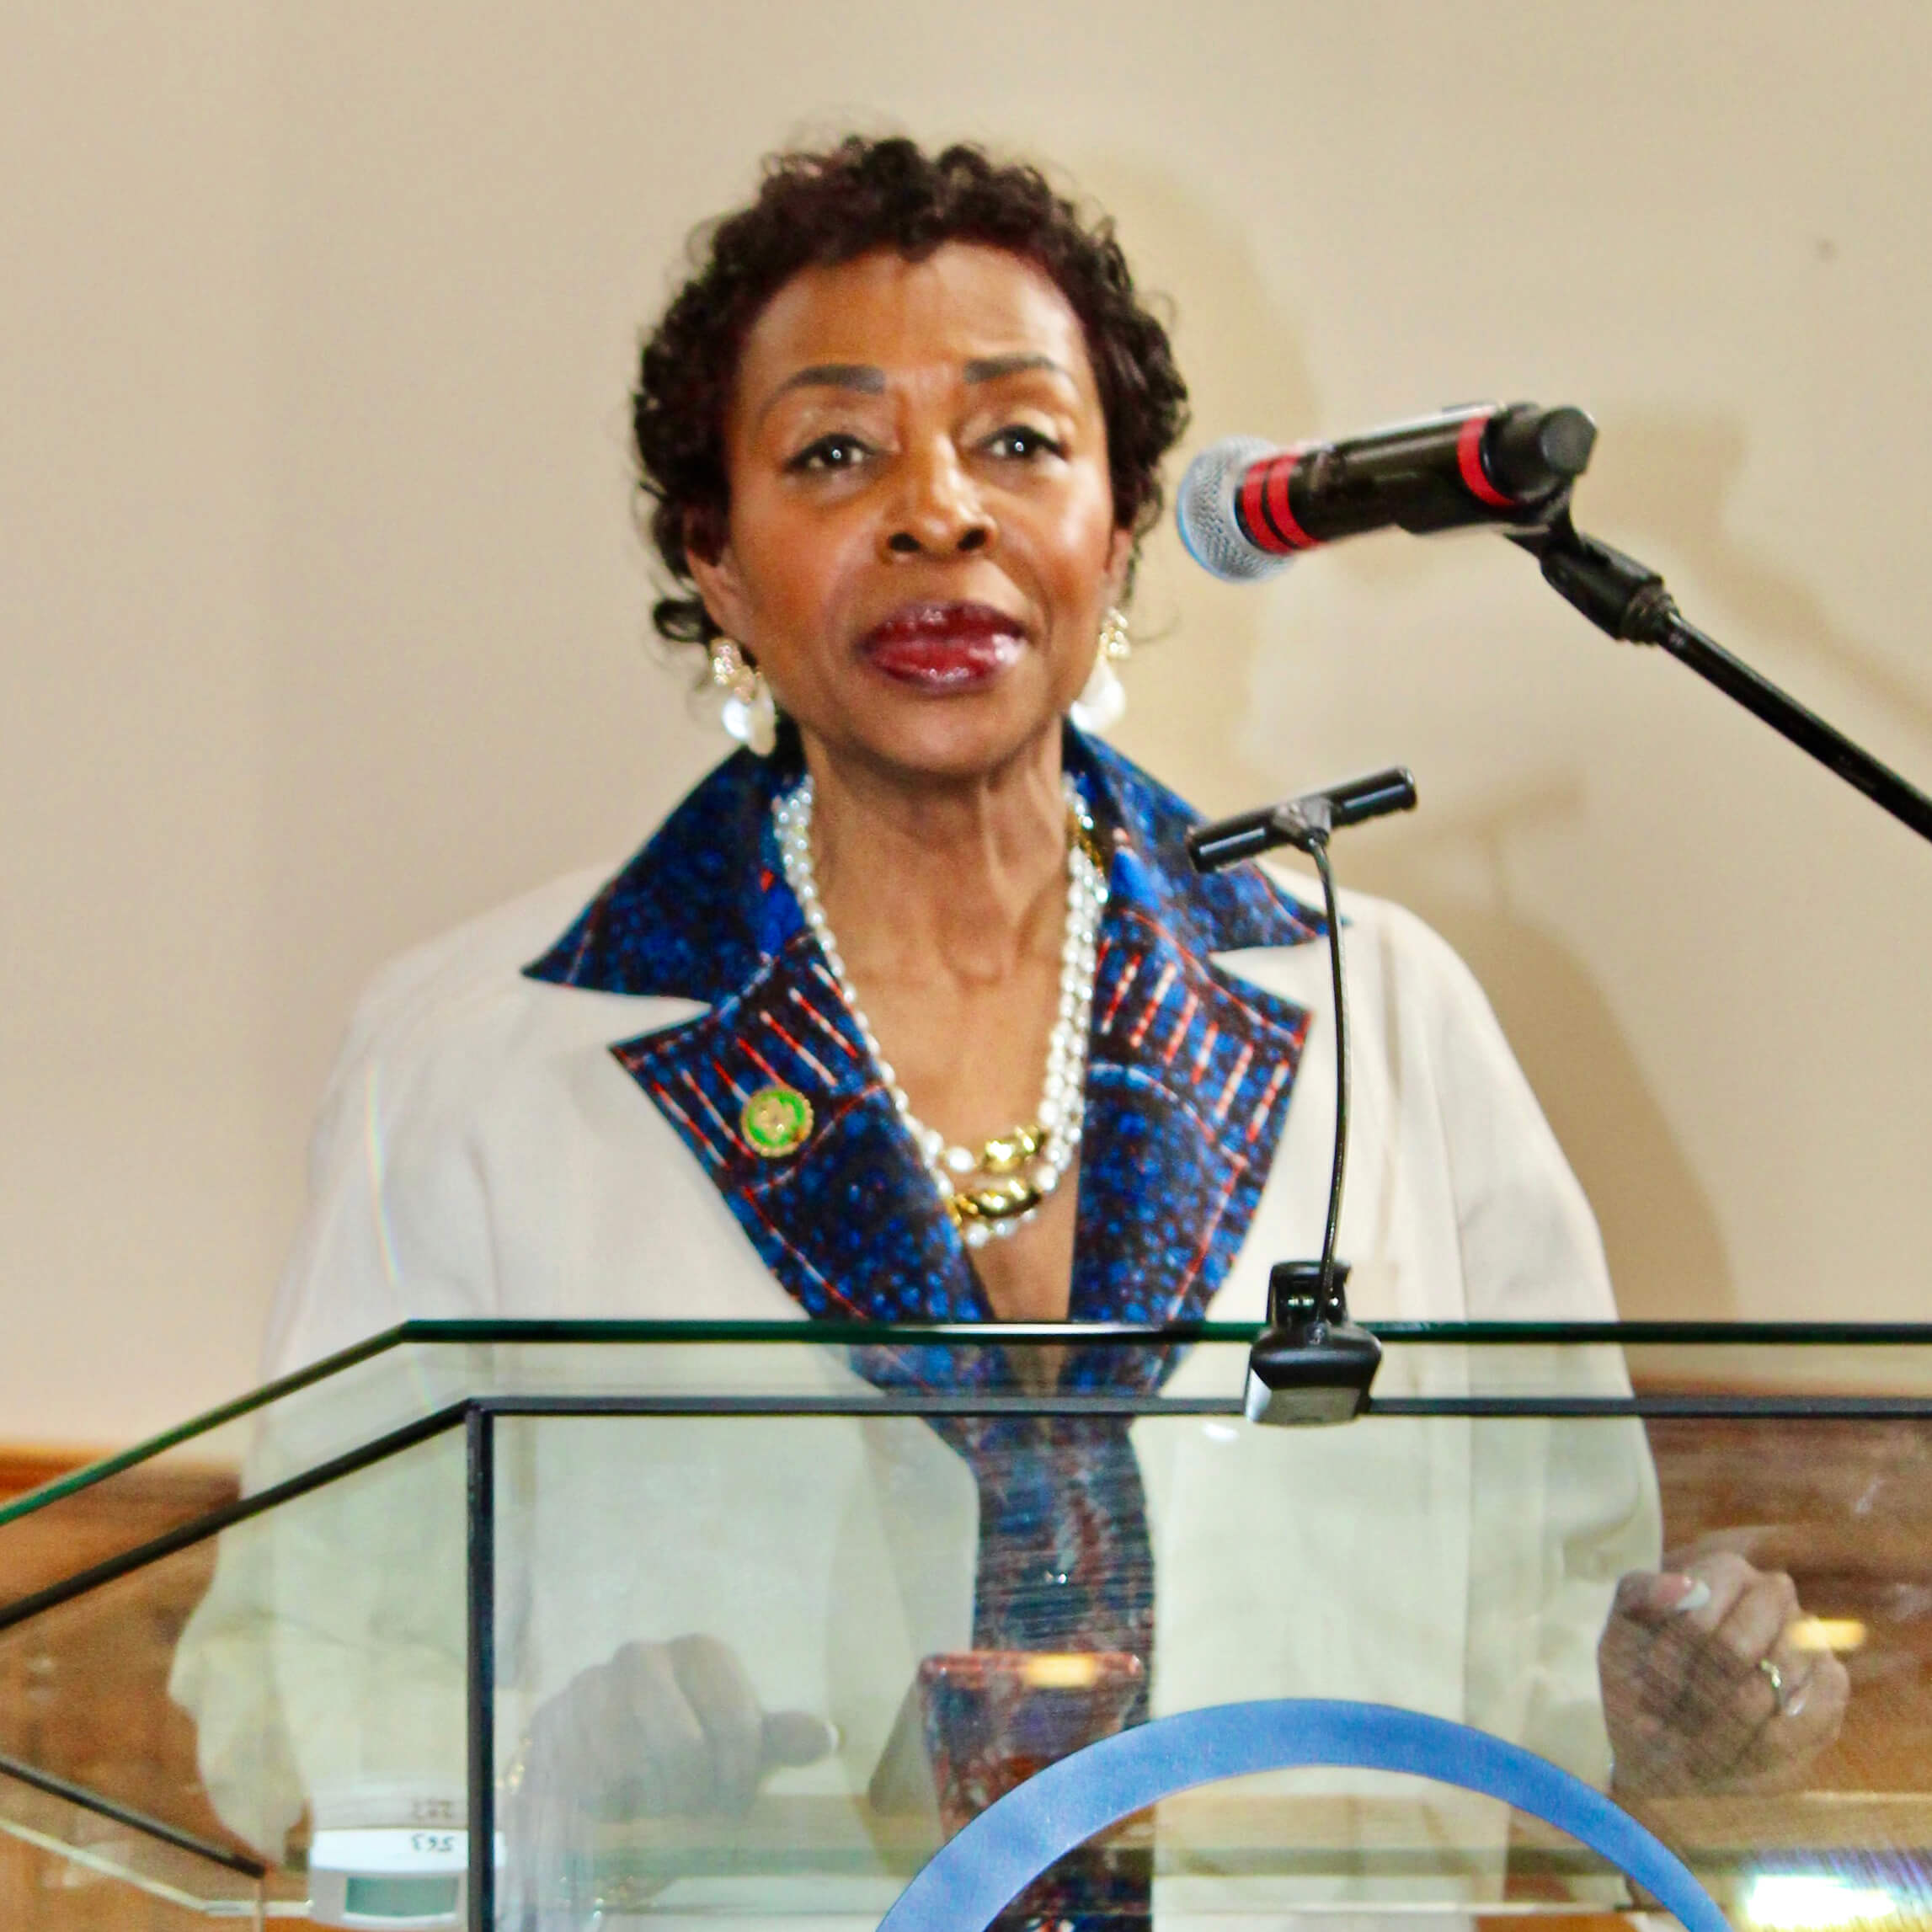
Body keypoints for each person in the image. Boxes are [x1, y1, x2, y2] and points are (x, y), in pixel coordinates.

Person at [178, 140, 1844, 1880]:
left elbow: (1548, 1645)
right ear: (718, 561)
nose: (938, 509)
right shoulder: (477, 1067)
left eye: (1019, 442)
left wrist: (1673, 1718)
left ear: (1115, 535)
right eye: (834, 451)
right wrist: (545, 1790)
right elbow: (288, 1714)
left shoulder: (1382, 1018)